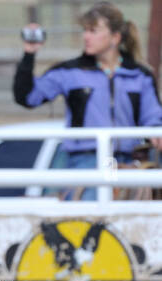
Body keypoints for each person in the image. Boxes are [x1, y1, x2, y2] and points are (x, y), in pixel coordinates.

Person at [14, 3, 162, 171]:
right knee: (94, 194)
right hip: (86, 160)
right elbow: (28, 97)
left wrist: (156, 131)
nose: (86, 37)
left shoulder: (139, 75)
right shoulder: (69, 72)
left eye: (93, 31)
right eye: (85, 30)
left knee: (137, 194)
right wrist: (29, 54)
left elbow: (153, 116)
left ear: (115, 37)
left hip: (127, 160)